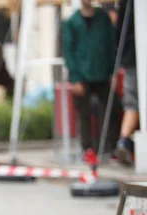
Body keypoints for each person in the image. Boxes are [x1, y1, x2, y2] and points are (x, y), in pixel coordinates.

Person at [62, 0, 120, 161]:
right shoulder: (71, 21)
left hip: (101, 71)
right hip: (81, 74)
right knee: (84, 113)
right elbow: (68, 51)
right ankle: (88, 149)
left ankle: (110, 147)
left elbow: (111, 45)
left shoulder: (103, 18)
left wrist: (111, 71)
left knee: (110, 109)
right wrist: (75, 78)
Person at [114, 0, 138, 166]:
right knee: (133, 102)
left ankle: (123, 140)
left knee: (132, 102)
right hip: (135, 58)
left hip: (129, 59)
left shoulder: (123, 5)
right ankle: (124, 143)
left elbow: (117, 35)